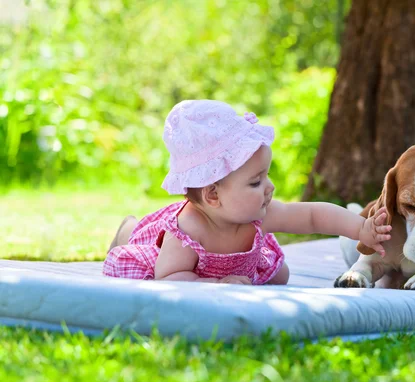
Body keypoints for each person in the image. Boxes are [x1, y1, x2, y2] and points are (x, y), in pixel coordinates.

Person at [103, 100, 392, 285]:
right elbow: (170, 278)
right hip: (163, 252)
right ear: (213, 196)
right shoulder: (187, 231)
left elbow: (313, 216)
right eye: (255, 182)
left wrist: (362, 228)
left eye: (266, 176)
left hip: (235, 263)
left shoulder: (258, 215)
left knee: (280, 275)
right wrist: (217, 284)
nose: (270, 188)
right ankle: (127, 228)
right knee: (138, 239)